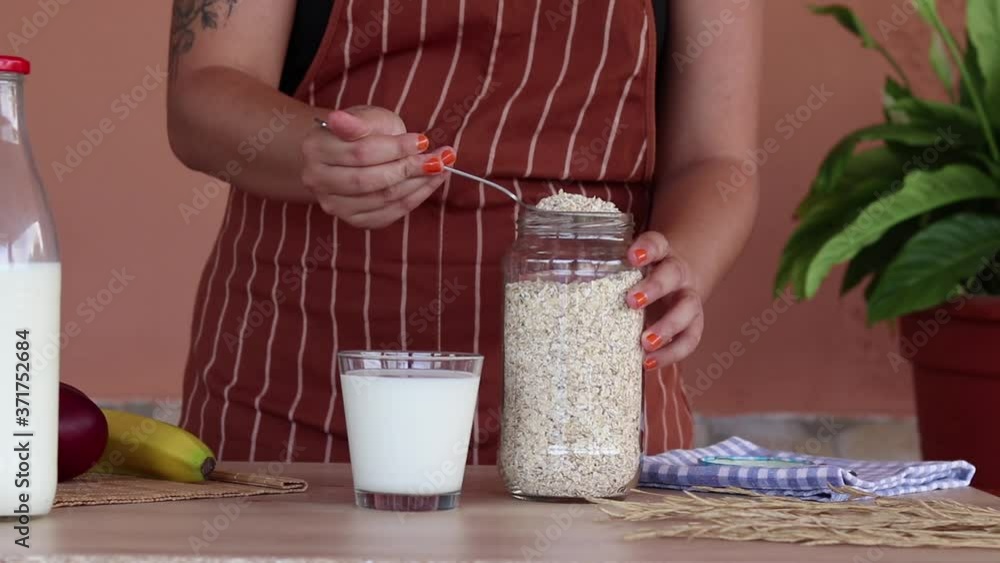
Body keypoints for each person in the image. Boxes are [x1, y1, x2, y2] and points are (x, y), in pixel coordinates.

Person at [167, 0, 762, 463]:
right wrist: (316, 143)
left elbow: (717, 158)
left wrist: (682, 268)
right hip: (297, 387)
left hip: (594, 398)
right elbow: (202, 93)